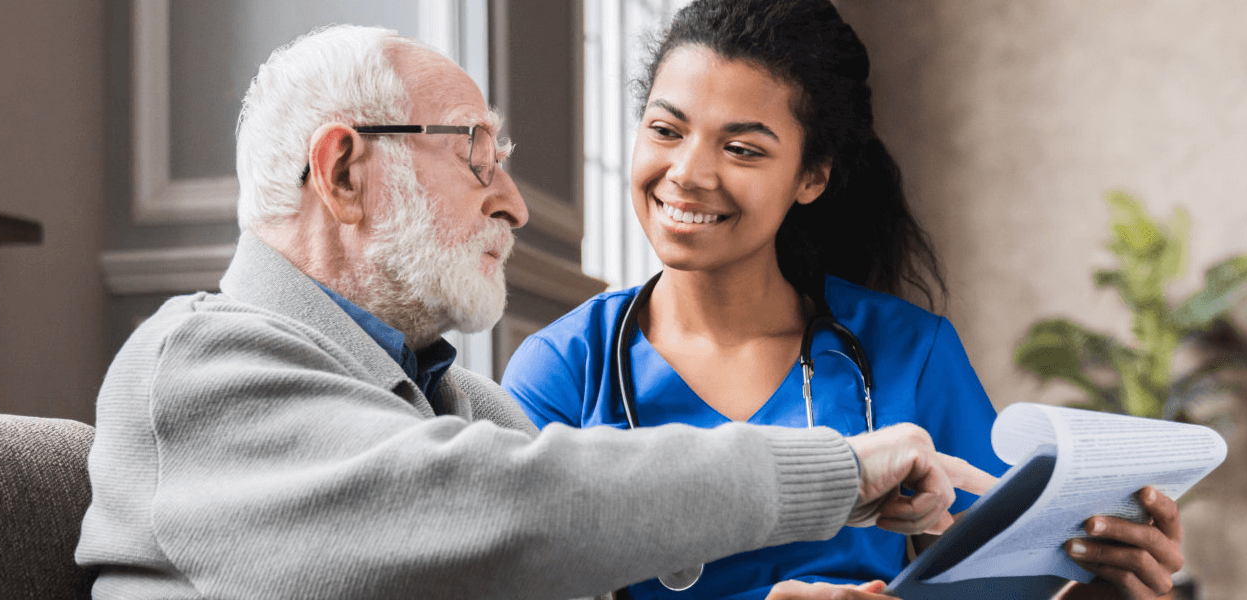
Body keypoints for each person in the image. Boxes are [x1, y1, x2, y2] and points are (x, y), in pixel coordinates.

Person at [75, 24, 996, 600]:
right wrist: (839, 472)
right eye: (476, 154)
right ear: (344, 171)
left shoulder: (462, 408)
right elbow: (502, 510)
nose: (513, 201)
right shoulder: (200, 368)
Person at [501, 1, 1186, 599]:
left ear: (812, 177)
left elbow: (992, 588)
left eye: (741, 148)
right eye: (665, 129)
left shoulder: (907, 353)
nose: (687, 174)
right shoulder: (563, 369)